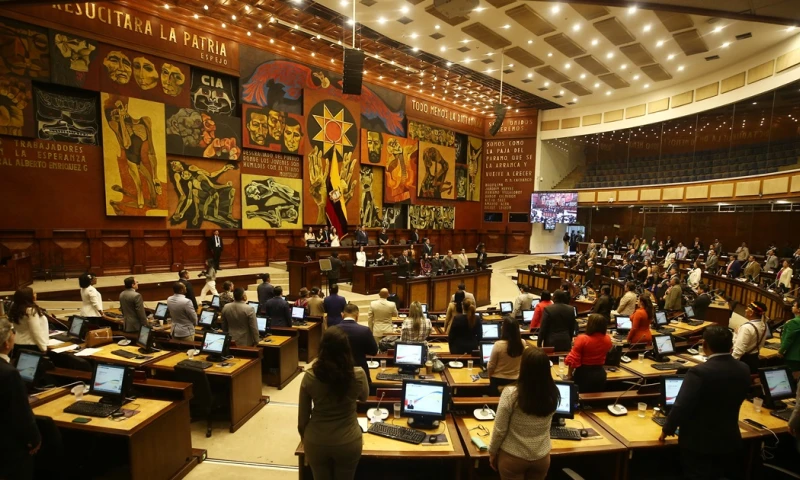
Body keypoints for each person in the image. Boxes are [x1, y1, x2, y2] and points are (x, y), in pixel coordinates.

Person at [659, 326, 751, 480]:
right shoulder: (744, 368)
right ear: (731, 346)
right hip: (729, 438)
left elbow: (682, 406)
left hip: (699, 442)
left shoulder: (699, 372)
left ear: (704, 345)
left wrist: (667, 428)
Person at [298, 326, 368, 480]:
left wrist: (306, 442)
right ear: (346, 349)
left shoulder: (309, 376)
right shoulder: (358, 375)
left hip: (316, 440)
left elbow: (302, 420)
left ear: (322, 349)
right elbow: (364, 397)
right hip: (348, 440)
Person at [488, 348, 558, 480]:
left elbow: (500, 429)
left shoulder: (511, 393)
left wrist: (492, 451)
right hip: (541, 457)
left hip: (513, 456)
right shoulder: (553, 392)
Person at [0, 318, 42, 480]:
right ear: (7, 344)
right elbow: (20, 414)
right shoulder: (9, 373)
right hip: (9, 448)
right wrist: (34, 440)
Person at [566, 314, 612, 393]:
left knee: (581, 398)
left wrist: (569, 375)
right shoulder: (608, 339)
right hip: (600, 373)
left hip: (584, 374)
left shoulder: (582, 339)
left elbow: (573, 360)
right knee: (596, 399)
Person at [336, 303, 378, 380]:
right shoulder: (365, 330)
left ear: (342, 315)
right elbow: (374, 351)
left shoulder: (332, 330)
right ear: (357, 315)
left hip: (338, 372)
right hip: (360, 372)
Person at [487, 316, 526, 394]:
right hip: (516, 381)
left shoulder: (498, 345)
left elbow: (491, 366)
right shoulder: (522, 343)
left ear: (504, 329)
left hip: (498, 381)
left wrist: (489, 377)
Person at [8, 287, 48, 353]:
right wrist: (43, 348)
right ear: (28, 297)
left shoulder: (16, 309)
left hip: (18, 343)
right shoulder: (30, 311)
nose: (35, 294)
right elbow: (35, 331)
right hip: (31, 346)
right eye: (33, 293)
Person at [732, 302, 768, 373]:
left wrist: (730, 364)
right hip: (755, 359)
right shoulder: (764, 325)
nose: (745, 310)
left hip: (743, 361)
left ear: (751, 313)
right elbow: (761, 344)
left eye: (747, 309)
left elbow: (738, 350)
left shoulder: (746, 327)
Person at [779, 300, 800, 371]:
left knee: (791, 377)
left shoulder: (794, 322)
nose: (792, 307)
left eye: (794, 306)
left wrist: (781, 351)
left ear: (799, 309)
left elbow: (788, 339)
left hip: (793, 355)